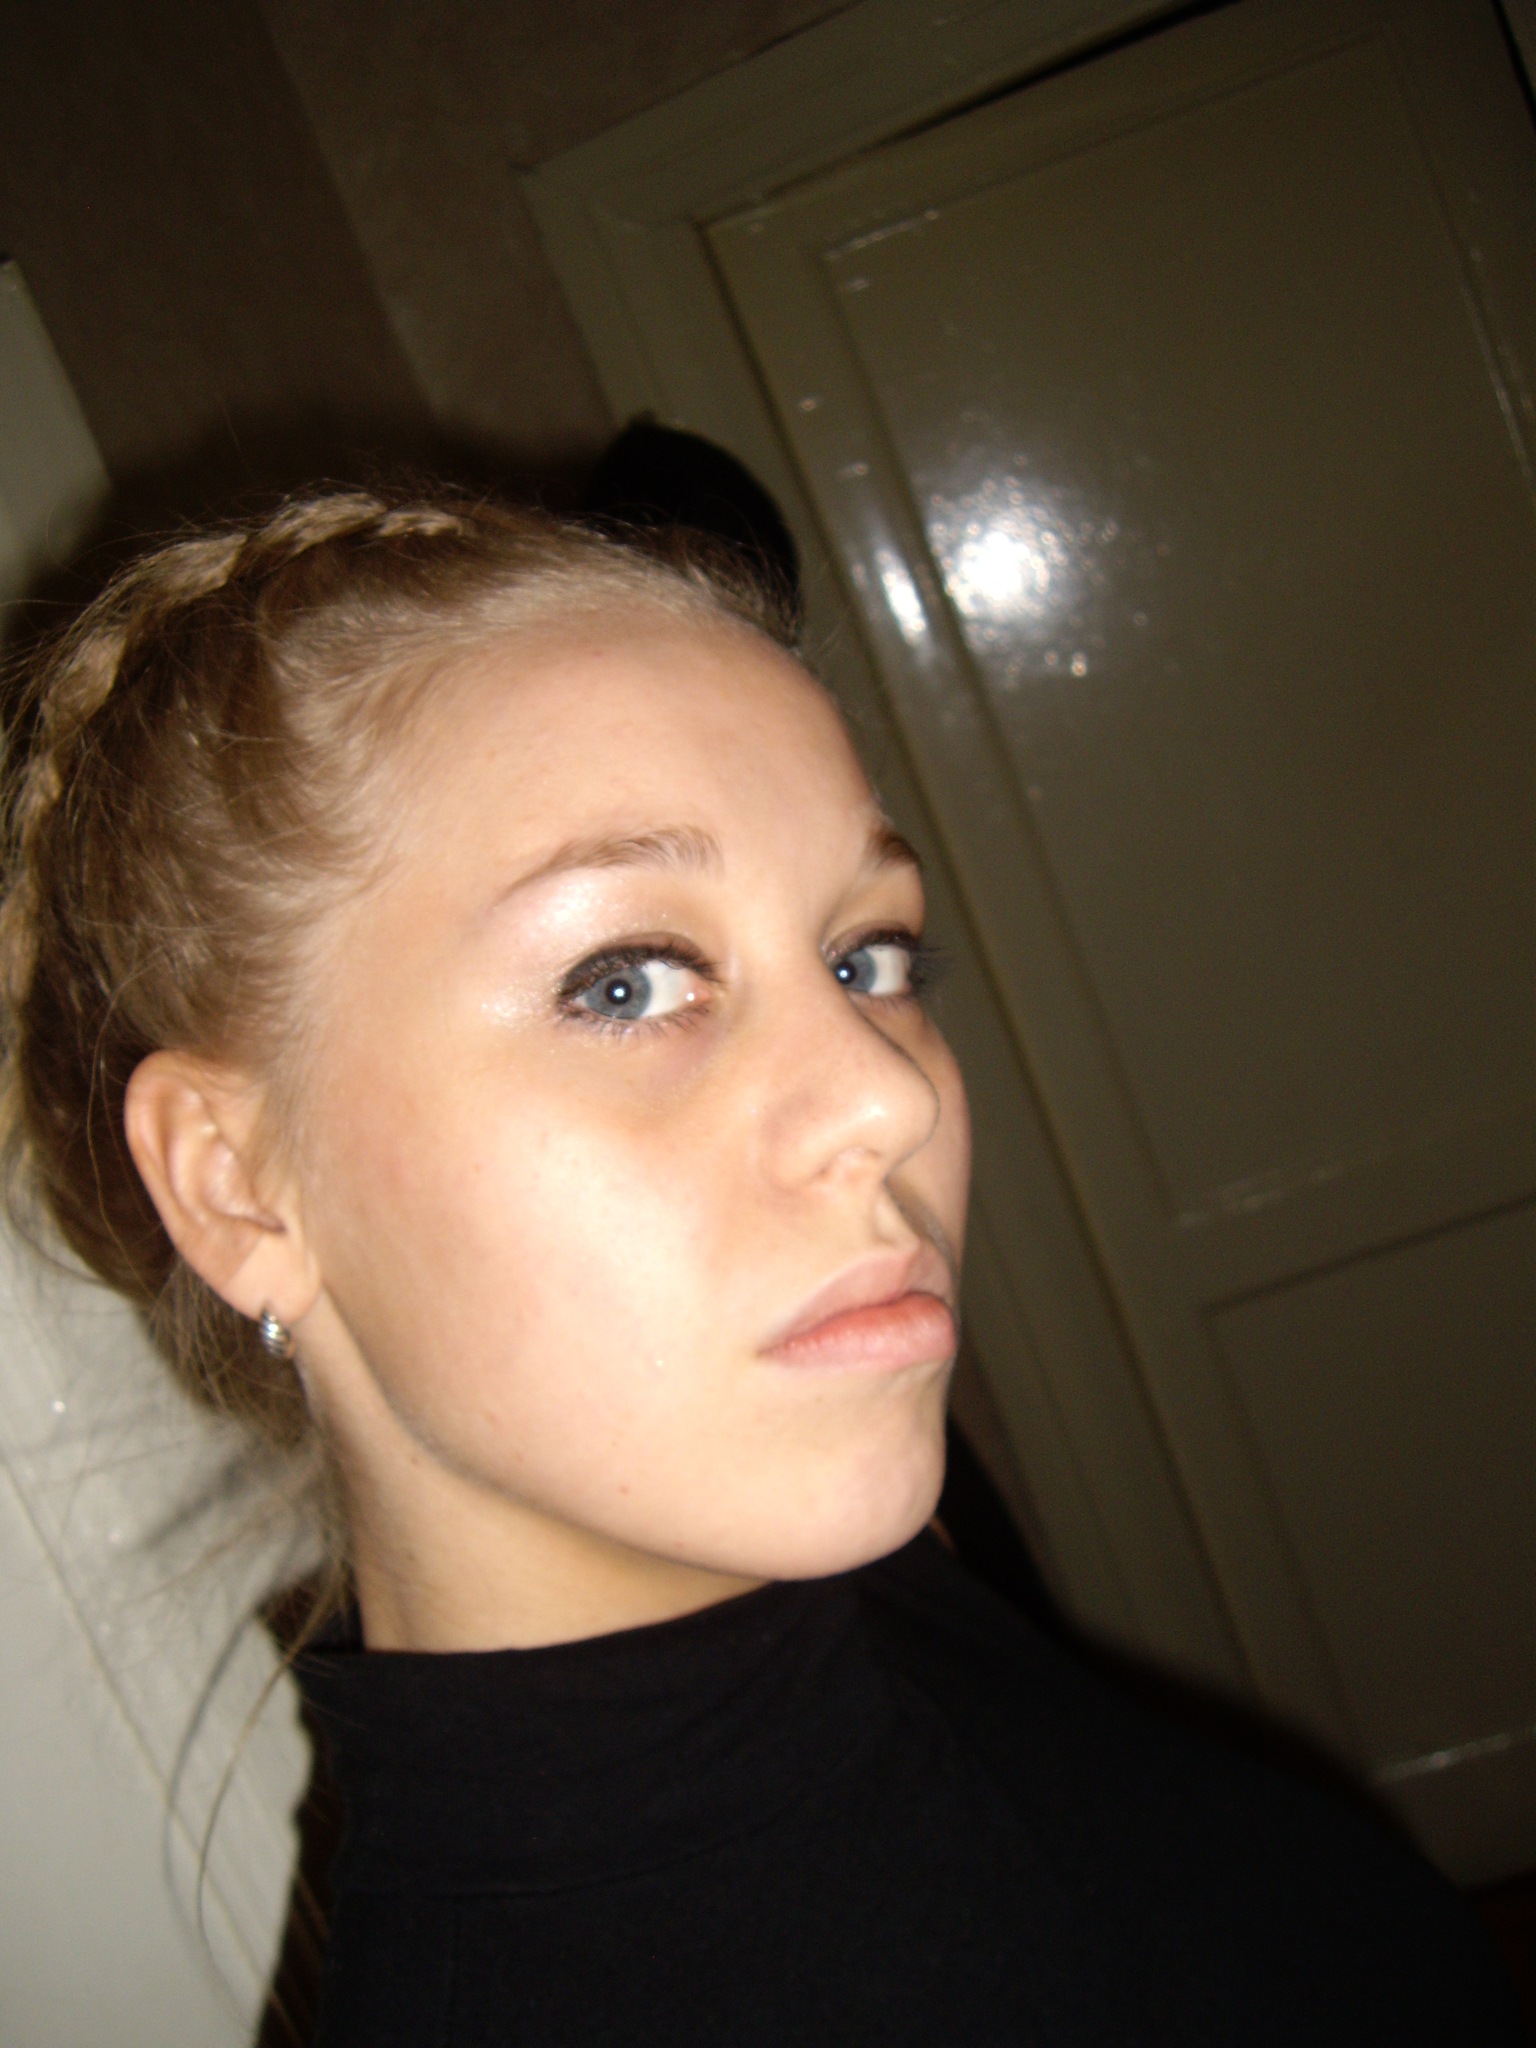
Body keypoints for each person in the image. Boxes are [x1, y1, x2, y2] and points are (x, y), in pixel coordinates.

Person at [0, 488, 1519, 2046]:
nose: (889, 1094)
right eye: (625, 982)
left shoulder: (858, 1602)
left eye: (868, 958)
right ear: (237, 1184)